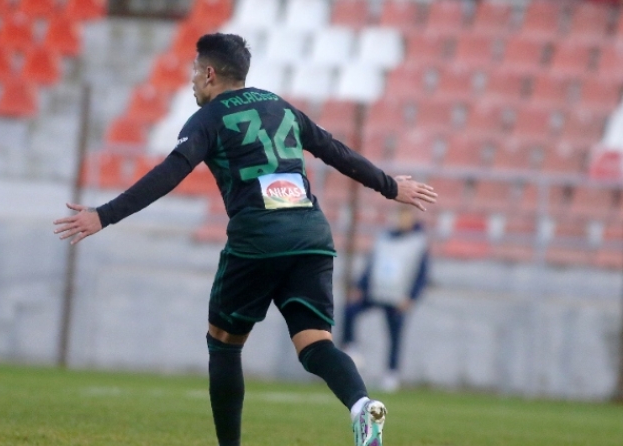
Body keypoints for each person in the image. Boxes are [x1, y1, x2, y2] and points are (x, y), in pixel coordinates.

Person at [53, 33, 437, 446]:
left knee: (223, 343)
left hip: (259, 236)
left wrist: (104, 215)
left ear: (210, 73)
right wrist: (389, 186)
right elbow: (333, 149)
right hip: (310, 233)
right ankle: (362, 406)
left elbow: (168, 174)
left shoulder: (208, 118)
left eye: (195, 71)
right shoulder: (279, 106)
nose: (192, 80)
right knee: (314, 341)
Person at [341, 204, 430, 392]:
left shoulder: (419, 242)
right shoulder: (384, 237)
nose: (401, 220)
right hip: (376, 291)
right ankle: (351, 347)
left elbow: (421, 274)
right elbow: (372, 264)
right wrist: (360, 286)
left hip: (398, 297)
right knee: (350, 310)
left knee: (395, 335)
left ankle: (391, 373)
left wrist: (411, 297)